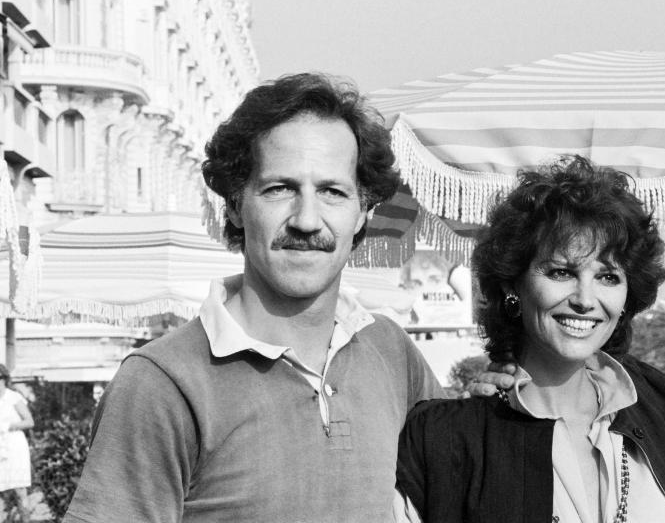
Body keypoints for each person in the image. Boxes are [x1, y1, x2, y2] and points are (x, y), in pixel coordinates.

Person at [64, 73, 444, 522]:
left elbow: (463, 477)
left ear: (363, 212)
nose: (306, 219)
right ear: (234, 204)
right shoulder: (162, 383)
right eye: (280, 189)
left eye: (332, 192)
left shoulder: (390, 351)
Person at [395, 155, 665, 522]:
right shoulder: (446, 440)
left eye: (608, 277)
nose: (585, 300)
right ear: (512, 284)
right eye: (561, 272)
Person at [0, 365, 33, 522]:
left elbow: (29, 422)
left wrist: (7, 426)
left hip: (15, 447)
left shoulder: (13, 397)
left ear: (5, 380)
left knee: (20, 490)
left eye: (0, 378)